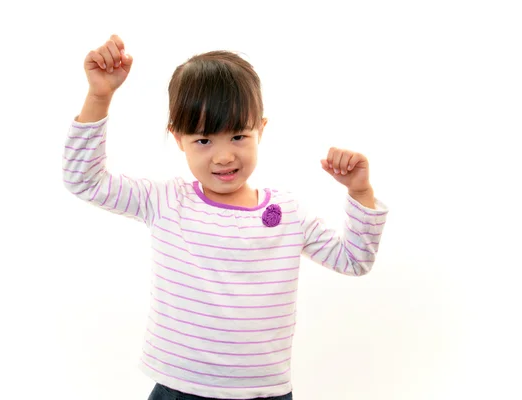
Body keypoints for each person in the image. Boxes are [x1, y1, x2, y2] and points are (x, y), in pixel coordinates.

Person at [62, 34, 389, 400]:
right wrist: (99, 96)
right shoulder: (165, 201)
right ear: (178, 138)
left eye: (238, 136)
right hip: (179, 390)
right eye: (204, 140)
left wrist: (360, 193)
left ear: (260, 130)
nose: (223, 157)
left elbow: (355, 260)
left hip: (264, 394)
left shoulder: (288, 214)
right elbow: (83, 180)